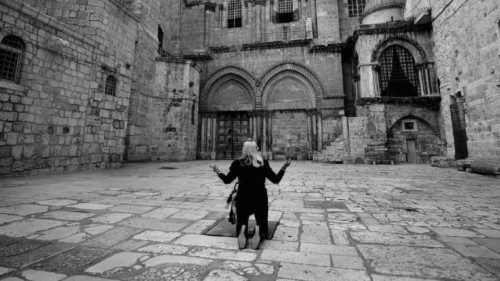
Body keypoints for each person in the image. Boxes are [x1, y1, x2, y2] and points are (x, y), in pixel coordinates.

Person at [210, 139, 291, 250]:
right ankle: (259, 230)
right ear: (255, 149)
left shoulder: (237, 163)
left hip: (243, 196)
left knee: (242, 220)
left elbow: (227, 180)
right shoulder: (262, 162)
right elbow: (276, 179)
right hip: (260, 197)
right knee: (262, 221)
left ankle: (242, 229)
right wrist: (284, 167)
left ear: (244, 149)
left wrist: (217, 171)